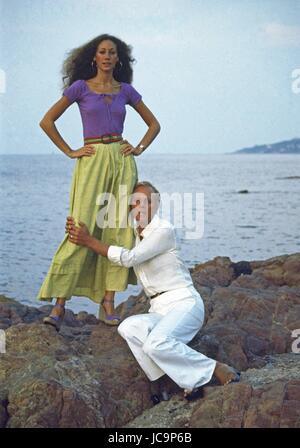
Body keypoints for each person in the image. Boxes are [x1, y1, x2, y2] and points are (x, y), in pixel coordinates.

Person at [65, 181, 240, 403]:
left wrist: (88, 241)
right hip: (159, 309)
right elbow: (108, 228)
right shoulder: (133, 234)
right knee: (128, 327)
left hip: (184, 303)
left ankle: (216, 369)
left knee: (155, 343)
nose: (138, 208)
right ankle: (165, 380)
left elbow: (129, 259)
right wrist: (78, 227)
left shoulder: (164, 230)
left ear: (155, 205)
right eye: (133, 203)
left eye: (143, 203)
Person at [37, 34, 160, 330]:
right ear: (95, 57)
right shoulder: (80, 88)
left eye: (112, 53)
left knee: (117, 229)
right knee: (80, 226)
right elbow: (47, 121)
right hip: (91, 159)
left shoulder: (126, 91)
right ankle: (59, 304)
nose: (107, 56)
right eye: (102, 52)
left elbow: (154, 125)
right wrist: (70, 151)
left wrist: (139, 148)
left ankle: (108, 303)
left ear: (118, 59)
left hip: (121, 158)